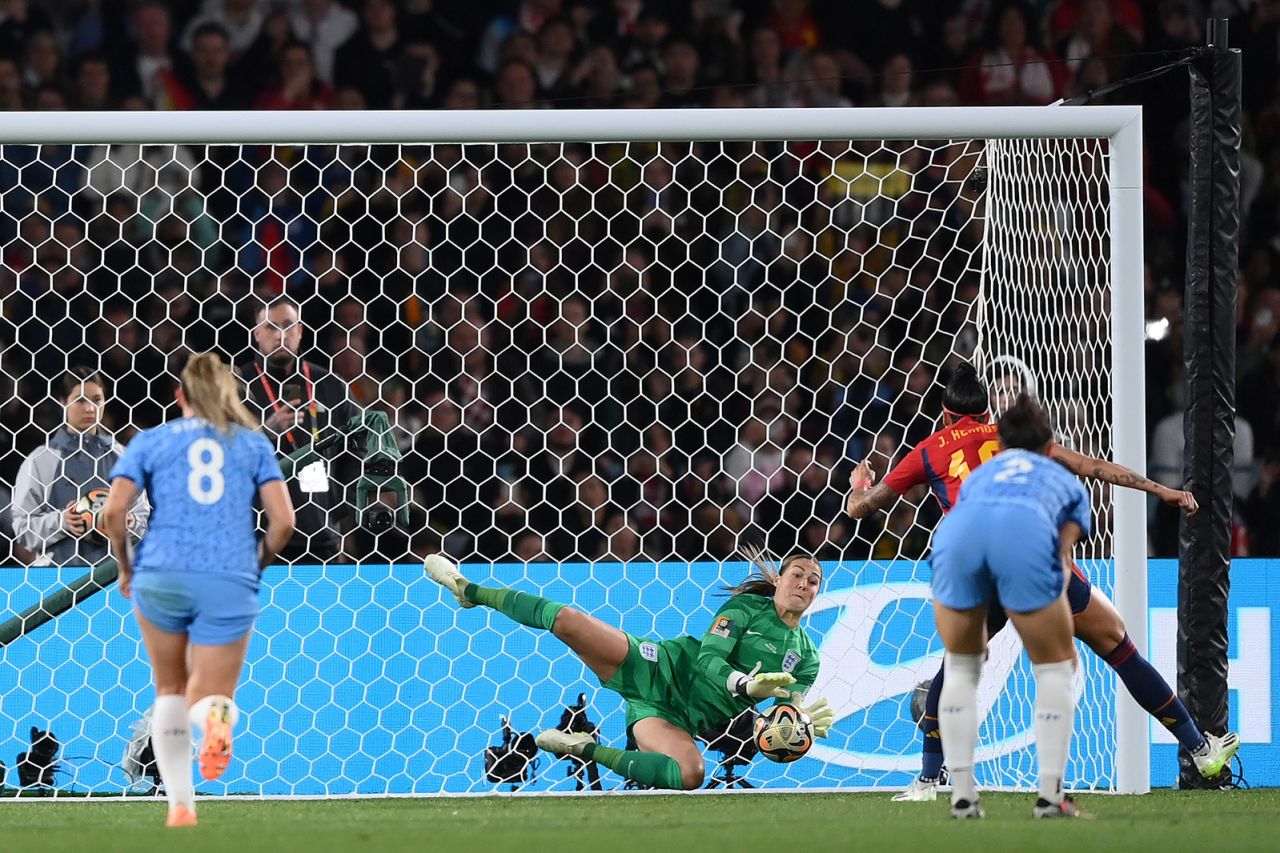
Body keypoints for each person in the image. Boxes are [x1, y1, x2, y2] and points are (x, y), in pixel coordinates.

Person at [845, 362, 1238, 802]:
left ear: (945, 413)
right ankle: (1201, 750)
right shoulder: (1015, 441)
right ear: (986, 409)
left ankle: (927, 779)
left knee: (957, 666)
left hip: (978, 565)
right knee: (1119, 647)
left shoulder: (927, 450)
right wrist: (1160, 491)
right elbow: (1090, 466)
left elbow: (859, 510)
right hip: (1034, 560)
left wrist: (859, 483)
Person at [423, 546, 834, 790]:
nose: (803, 584)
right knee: (567, 621)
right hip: (656, 666)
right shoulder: (745, 607)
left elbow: (776, 723)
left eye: (813, 581)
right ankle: (468, 590)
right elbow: (709, 659)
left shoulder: (807, 659)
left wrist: (798, 729)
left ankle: (581, 747)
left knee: (690, 774)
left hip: (673, 717)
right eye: (796, 574)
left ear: (818, 593)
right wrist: (745, 685)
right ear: (778, 580)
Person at [100, 353, 295, 828]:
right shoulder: (252, 445)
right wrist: (256, 566)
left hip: (161, 574)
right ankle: (216, 721)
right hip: (228, 575)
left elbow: (112, 513)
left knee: (168, 688)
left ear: (179, 396)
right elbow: (285, 522)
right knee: (214, 692)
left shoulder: (150, 441)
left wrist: (126, 567)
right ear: (228, 395)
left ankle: (180, 805)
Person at [928, 395, 1085, 818]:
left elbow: (974, 520)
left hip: (954, 539)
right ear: (1048, 445)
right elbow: (1062, 553)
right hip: (1025, 538)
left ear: (1002, 442)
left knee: (961, 666)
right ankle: (1051, 798)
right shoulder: (1061, 477)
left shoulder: (983, 473)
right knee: (1055, 667)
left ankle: (962, 796)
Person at [241, 296, 357, 564]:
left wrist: (338, 504)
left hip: (320, 534)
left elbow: (359, 446)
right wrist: (266, 432)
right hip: (257, 538)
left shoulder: (330, 385)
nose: (281, 335)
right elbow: (221, 452)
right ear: (257, 334)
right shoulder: (237, 386)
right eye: (271, 327)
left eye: (288, 326)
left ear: (301, 331)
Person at [12, 368, 149, 566]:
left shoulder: (123, 457)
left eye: (97, 400)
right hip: (56, 577)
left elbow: (142, 518)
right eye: (81, 400)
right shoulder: (41, 460)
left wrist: (131, 523)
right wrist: (62, 522)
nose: (90, 408)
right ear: (63, 402)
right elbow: (22, 529)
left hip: (112, 577)